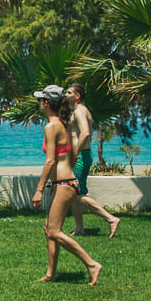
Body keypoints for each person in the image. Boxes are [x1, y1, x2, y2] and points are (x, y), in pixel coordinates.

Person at [31, 85, 102, 286]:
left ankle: (91, 264)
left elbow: (50, 161)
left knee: (54, 231)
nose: (39, 103)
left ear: (46, 103)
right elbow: (72, 155)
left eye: (40, 100)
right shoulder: (63, 125)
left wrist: (39, 190)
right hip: (65, 182)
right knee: (49, 229)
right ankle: (51, 274)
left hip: (63, 183)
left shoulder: (51, 126)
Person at [65, 83, 121, 238]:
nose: (66, 95)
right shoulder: (78, 111)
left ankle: (110, 218)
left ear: (77, 96)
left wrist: (75, 153)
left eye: (69, 93)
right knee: (75, 192)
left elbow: (85, 134)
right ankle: (79, 228)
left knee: (77, 194)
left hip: (81, 156)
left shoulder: (79, 111)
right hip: (82, 155)